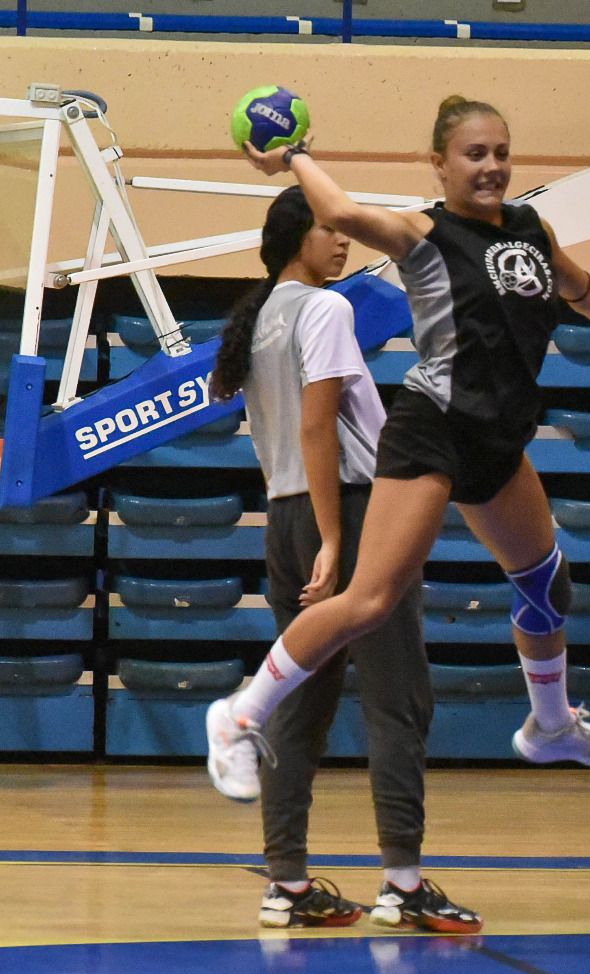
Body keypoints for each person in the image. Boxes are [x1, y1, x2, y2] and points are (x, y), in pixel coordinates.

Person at [207, 94, 590, 928]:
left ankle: (553, 726)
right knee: (370, 601)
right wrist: (296, 154)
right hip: (434, 431)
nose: (490, 167)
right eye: (473, 155)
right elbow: (341, 210)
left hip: (500, 438)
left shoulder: (528, 230)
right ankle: (238, 714)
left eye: (500, 151)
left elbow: (582, 287)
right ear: (440, 165)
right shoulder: (423, 235)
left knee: (546, 583)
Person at [210, 186, 477, 932]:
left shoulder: (260, 317)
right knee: (399, 697)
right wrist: (336, 536)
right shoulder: (327, 309)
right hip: (348, 513)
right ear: (297, 235)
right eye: (329, 229)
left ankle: (287, 884)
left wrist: (311, 531)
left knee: (300, 703)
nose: (344, 241)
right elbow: (319, 424)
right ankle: (403, 883)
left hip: (283, 517)